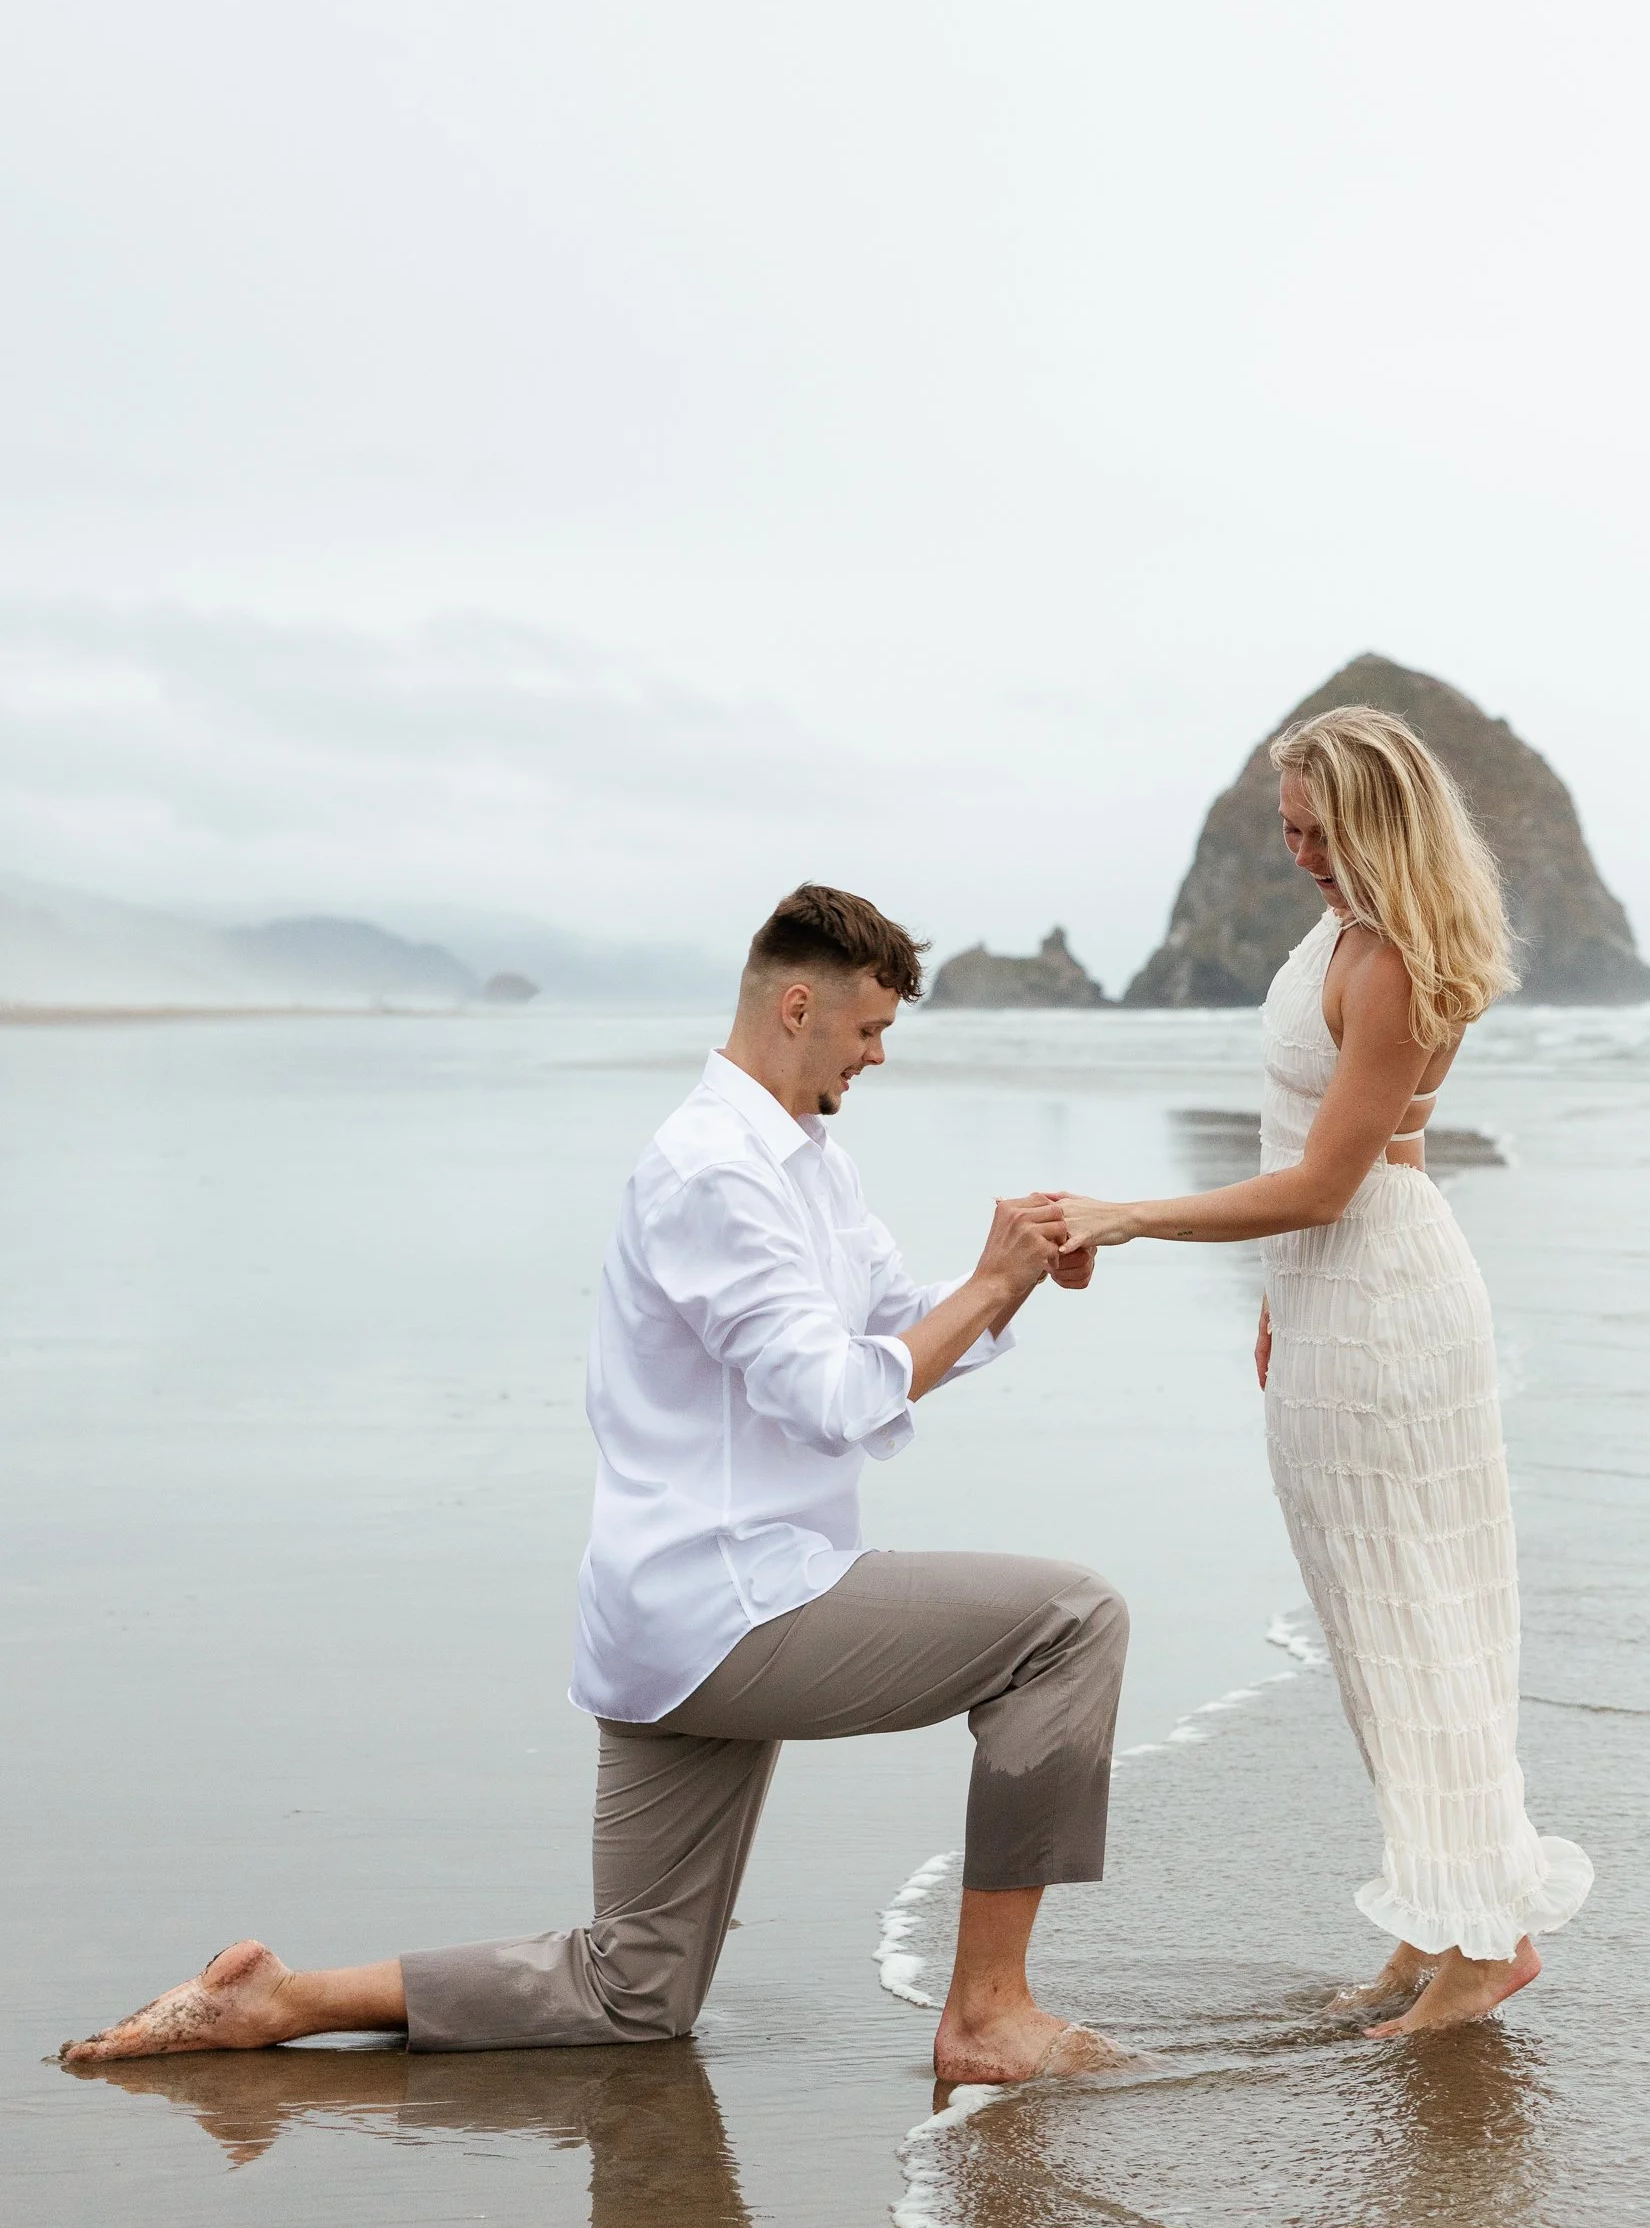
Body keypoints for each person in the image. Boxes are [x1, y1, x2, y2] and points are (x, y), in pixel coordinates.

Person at [63, 884, 1130, 2087]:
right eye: (870, 1030)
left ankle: (275, 1999)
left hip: (677, 1619)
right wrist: (988, 1288)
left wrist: (1017, 1276)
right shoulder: (713, 1173)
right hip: (741, 1607)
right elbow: (833, 1395)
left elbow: (895, 1321)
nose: (879, 1055)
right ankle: (990, 2013)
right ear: (796, 1007)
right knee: (1071, 1621)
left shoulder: (807, 1164)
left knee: (637, 1992)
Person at [1051, 707, 1591, 2035]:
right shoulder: (1341, 926)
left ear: (1378, 825)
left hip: (1389, 1305)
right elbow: (1305, 1162)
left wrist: (1127, 1217)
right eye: (1283, 826)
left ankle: (1490, 1944)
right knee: (1376, 1635)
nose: (1296, 850)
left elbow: (1325, 1180)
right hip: (1333, 1296)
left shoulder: (1397, 962)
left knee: (1424, 1629)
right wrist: (1275, 1300)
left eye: (1317, 828)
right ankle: (1439, 1914)